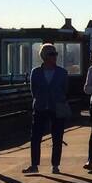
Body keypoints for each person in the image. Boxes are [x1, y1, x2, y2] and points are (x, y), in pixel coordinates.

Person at [23, 43, 70, 174]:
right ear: (44, 56)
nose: (54, 57)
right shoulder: (36, 72)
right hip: (40, 107)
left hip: (58, 106)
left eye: (55, 54)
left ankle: (55, 165)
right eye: (51, 54)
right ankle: (34, 165)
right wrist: (40, 100)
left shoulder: (62, 72)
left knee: (57, 137)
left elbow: (65, 90)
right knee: (35, 137)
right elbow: (34, 90)